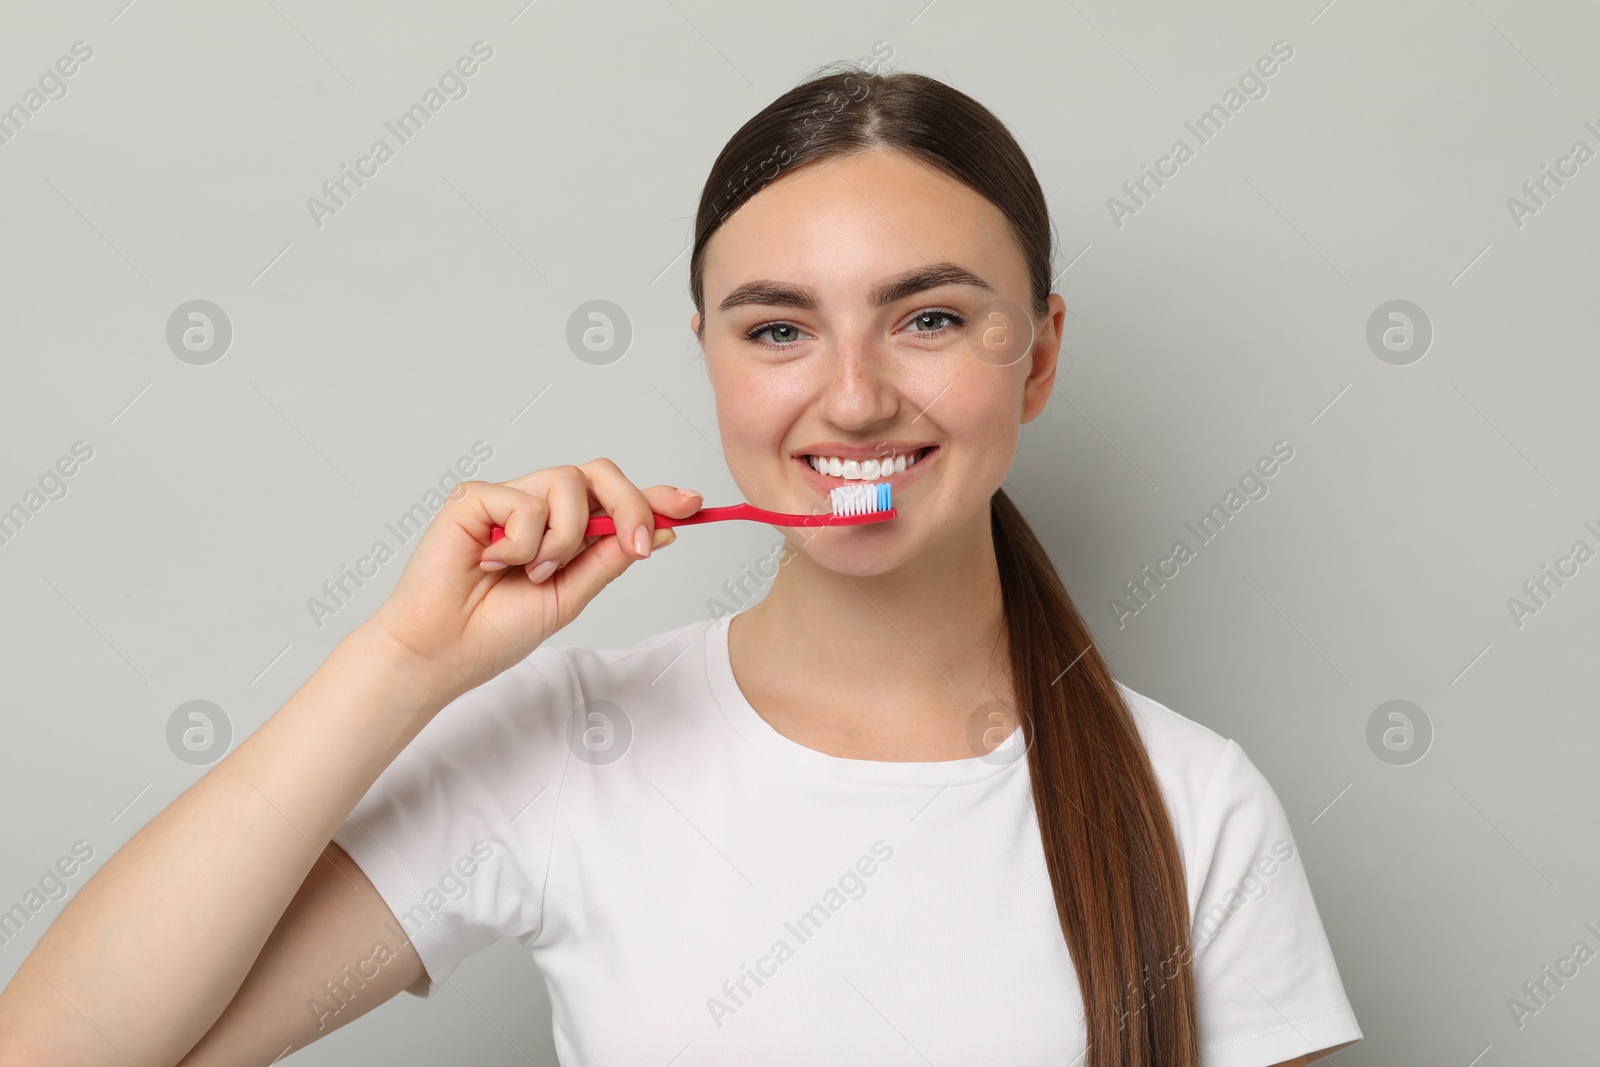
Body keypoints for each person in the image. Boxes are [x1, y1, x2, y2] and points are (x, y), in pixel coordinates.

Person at [0, 65, 1362, 1066]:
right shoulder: (571, 744)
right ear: (710, 355)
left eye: (930, 318)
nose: (854, 398)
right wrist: (401, 667)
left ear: (1042, 354)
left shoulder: (1196, 809)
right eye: (778, 331)